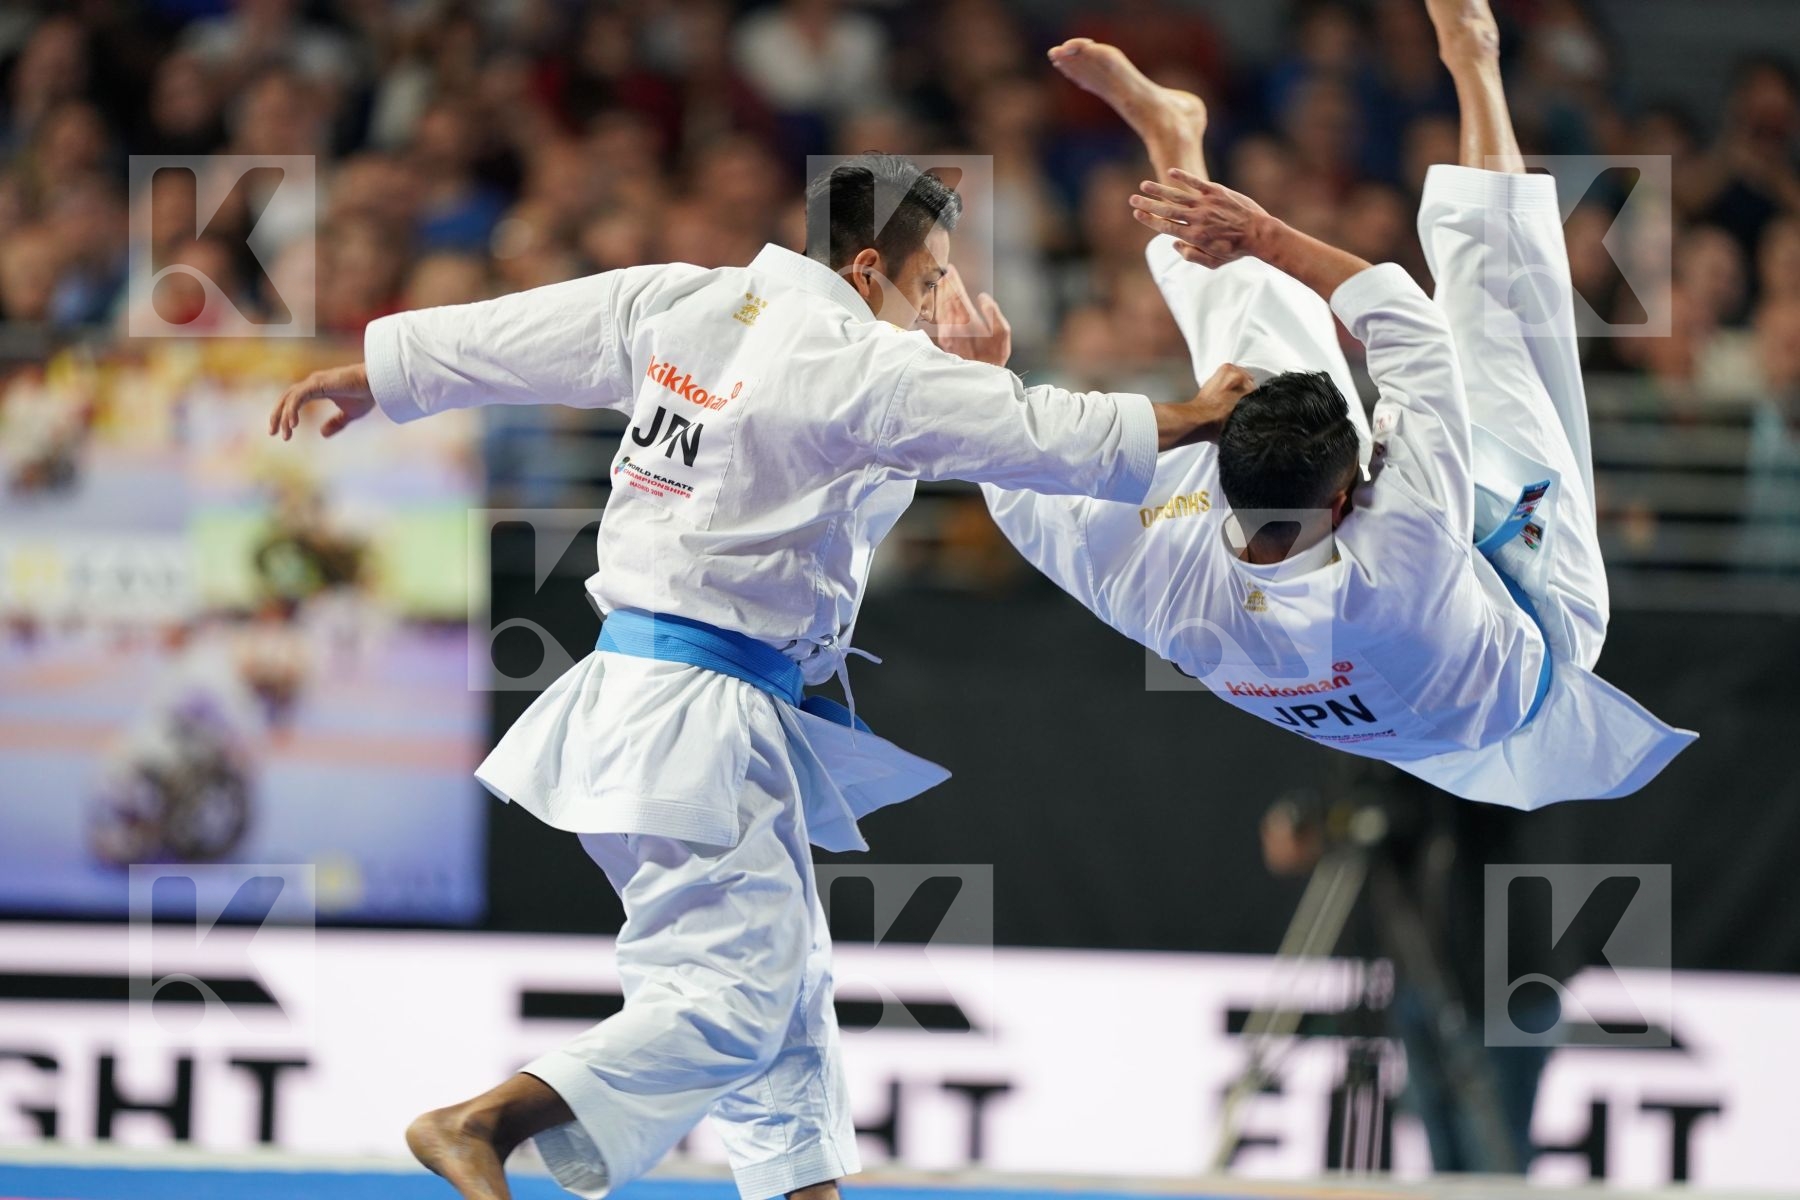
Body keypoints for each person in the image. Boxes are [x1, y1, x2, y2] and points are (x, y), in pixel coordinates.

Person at [268, 153, 1239, 1200]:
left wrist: (379, 373)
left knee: (785, 997)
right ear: (869, 269)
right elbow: (1038, 437)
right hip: (702, 716)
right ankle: (486, 1122)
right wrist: (1197, 412)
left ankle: (798, 1193)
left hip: (653, 696)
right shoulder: (861, 360)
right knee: (736, 996)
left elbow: (515, 334)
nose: (933, 306)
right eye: (928, 283)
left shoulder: (680, 301)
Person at [987, 11, 1694, 813]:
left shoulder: (1160, 563)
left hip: (1396, 690)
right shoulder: (1402, 548)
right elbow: (1411, 324)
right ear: (1350, 493)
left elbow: (1014, 469)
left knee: (1246, 371)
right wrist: (1265, 234)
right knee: (1491, 312)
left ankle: (1176, 136)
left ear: (1222, 476)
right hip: (1536, 627)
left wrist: (983, 380)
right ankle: (1476, 58)